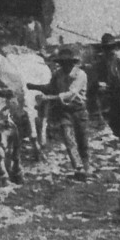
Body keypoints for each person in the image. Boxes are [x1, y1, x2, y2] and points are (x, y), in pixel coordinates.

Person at [27, 48, 90, 180]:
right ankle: (78, 167)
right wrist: (34, 86)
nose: (64, 66)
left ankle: (86, 166)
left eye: (67, 63)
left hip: (78, 110)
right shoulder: (58, 74)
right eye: (62, 63)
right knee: (68, 139)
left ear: (72, 63)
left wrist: (48, 98)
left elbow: (71, 94)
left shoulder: (80, 74)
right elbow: (51, 88)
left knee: (82, 141)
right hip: (64, 112)